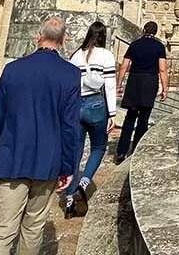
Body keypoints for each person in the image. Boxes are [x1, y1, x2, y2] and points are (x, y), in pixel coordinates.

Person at [0, 16, 80, 255]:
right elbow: (70, 126)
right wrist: (68, 167)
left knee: (2, 230)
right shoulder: (70, 74)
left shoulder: (13, 69)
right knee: (34, 227)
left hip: (10, 157)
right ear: (64, 40)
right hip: (47, 161)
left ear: (38, 36)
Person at [63, 21, 117, 218]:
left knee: (75, 152)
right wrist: (112, 113)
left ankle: (69, 199)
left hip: (76, 104)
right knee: (98, 147)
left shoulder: (75, 55)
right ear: (103, 36)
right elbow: (110, 86)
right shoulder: (106, 55)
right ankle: (84, 184)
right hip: (96, 105)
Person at [114, 21, 167, 163]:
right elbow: (162, 69)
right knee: (144, 118)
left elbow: (124, 66)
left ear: (144, 30)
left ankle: (121, 151)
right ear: (155, 32)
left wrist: (119, 84)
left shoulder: (135, 44)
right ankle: (136, 150)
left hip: (134, 81)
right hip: (149, 82)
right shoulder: (159, 47)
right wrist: (165, 87)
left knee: (129, 117)